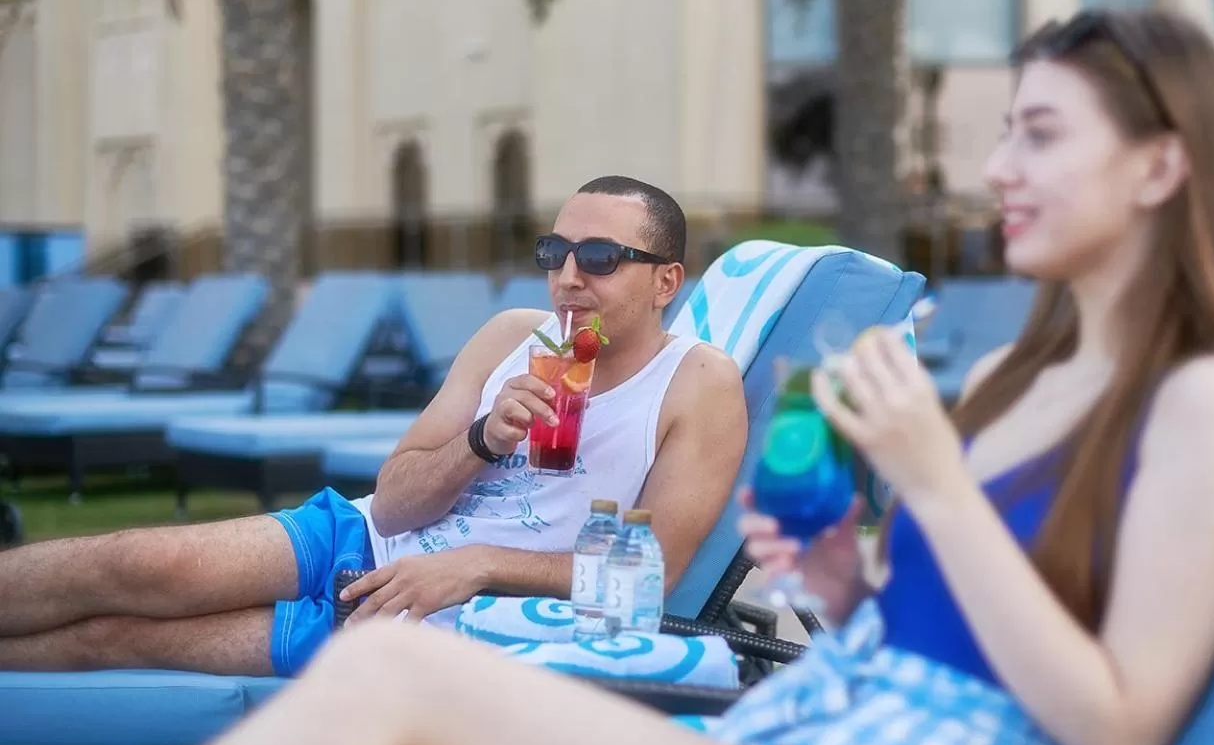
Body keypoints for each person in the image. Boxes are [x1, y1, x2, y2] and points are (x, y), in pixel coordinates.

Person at [160, 8, 1214, 745]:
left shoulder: (1208, 403)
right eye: (1004, 136)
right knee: (395, 696)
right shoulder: (1009, 378)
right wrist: (843, 580)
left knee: (399, 679)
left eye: (1040, 136)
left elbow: (1125, 737)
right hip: (818, 722)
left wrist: (933, 484)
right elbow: (943, 625)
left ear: (1159, 166)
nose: (998, 172)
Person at [0, 176, 748, 678]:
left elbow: (652, 577)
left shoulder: (699, 384)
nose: (568, 277)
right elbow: (393, 502)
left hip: (440, 617)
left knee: (118, 640)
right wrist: (483, 438)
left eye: (601, 258)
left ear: (665, 281)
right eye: (555, 253)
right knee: (132, 565)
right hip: (361, 537)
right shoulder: (513, 336)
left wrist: (479, 563)